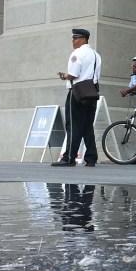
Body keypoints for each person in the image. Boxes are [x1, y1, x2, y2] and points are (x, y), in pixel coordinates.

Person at [53, 27, 101, 167]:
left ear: (84, 39)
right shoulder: (96, 55)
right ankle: (91, 158)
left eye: (76, 38)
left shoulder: (77, 53)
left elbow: (73, 74)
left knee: (73, 125)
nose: (73, 41)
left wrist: (64, 76)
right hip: (92, 92)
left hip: (78, 92)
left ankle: (69, 157)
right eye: (73, 38)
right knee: (87, 126)